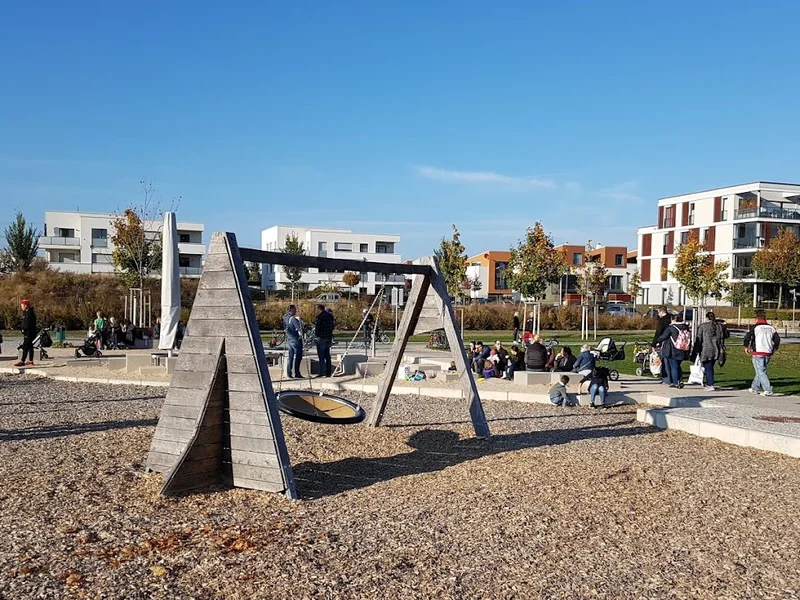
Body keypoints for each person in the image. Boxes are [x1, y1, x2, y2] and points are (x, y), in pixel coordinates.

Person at [743, 309, 781, 396]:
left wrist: (746, 346)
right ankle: (754, 387)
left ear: (757, 319)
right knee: (760, 371)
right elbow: (777, 340)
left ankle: (768, 389)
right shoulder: (771, 328)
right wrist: (774, 348)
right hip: (768, 352)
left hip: (758, 351)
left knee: (760, 371)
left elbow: (747, 337)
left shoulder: (755, 327)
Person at [690, 311, 725, 391]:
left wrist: (696, 350)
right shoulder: (719, 326)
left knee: (708, 367)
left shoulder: (703, 326)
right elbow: (722, 337)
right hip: (716, 348)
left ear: (706, 318)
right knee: (710, 366)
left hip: (706, 349)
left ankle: (710, 384)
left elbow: (699, 339)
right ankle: (708, 382)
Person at [656, 313, 691, 388]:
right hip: (682, 348)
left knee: (674, 366)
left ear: (673, 319)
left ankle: (676, 382)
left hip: (673, 349)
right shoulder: (685, 327)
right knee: (678, 365)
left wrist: (658, 340)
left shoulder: (671, 328)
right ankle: (680, 380)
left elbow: (663, 337)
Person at [314, 304, 335, 378]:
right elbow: (332, 326)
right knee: (327, 356)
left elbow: (317, 328)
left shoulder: (319, 317)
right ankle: (328, 372)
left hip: (321, 338)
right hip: (328, 337)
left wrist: (317, 335)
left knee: (321, 356)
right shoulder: (330, 316)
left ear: (319, 309)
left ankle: (322, 371)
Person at [14, 299, 37, 367]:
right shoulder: (26, 312)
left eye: (22, 305)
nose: (21, 307)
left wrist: (24, 329)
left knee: (25, 346)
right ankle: (30, 361)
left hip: (29, 332)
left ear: (25, 305)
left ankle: (22, 361)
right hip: (27, 332)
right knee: (30, 346)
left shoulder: (29, 313)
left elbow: (28, 323)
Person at [283, 304, 304, 378]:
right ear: (291, 309)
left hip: (289, 339)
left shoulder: (285, 318)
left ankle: (289, 372)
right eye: (295, 309)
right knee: (298, 356)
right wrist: (301, 323)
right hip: (295, 339)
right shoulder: (293, 319)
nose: (296, 311)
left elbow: (285, 328)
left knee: (290, 356)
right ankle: (297, 373)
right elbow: (299, 330)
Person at [653, 306, 672, 382]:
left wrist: (654, 343)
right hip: (673, 342)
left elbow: (658, 333)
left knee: (665, 360)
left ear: (661, 311)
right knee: (671, 361)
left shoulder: (661, 321)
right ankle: (673, 377)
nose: (658, 314)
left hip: (664, 341)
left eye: (658, 312)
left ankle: (666, 378)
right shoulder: (670, 318)